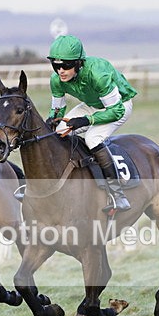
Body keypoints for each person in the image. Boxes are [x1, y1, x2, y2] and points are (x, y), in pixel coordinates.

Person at [46, 35, 137, 212]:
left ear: (79, 63)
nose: (61, 71)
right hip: (92, 105)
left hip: (119, 106)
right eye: (56, 66)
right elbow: (57, 110)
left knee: (92, 138)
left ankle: (118, 195)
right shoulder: (56, 79)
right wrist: (51, 120)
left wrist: (87, 120)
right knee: (58, 133)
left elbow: (116, 111)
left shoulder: (97, 74)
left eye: (66, 65)